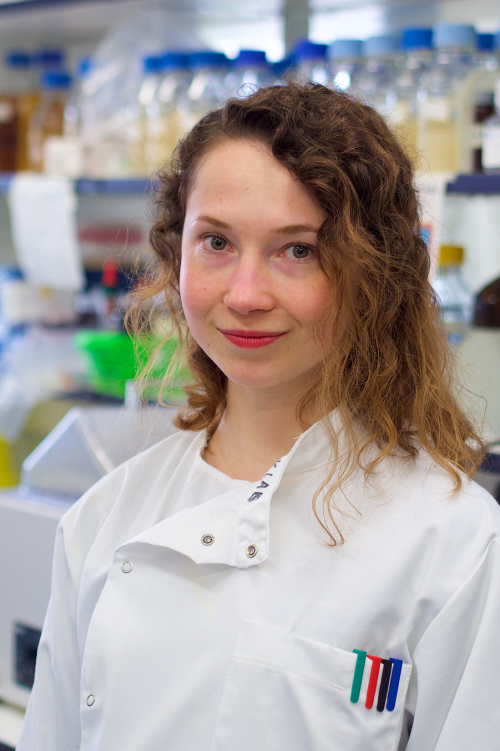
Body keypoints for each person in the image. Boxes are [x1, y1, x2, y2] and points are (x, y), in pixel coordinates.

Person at [18, 83, 500, 751]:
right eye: (216, 241)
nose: (245, 295)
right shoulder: (103, 520)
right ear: (175, 254)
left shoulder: (455, 544)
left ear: (373, 274)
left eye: (298, 249)